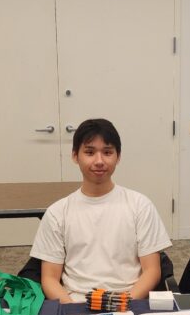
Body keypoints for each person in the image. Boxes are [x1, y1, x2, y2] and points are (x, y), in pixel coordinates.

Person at [30, 118, 171, 302]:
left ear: (118, 156)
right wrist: (71, 309)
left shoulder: (140, 205)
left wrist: (121, 304)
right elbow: (49, 279)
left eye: (107, 152)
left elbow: (152, 271)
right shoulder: (58, 212)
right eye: (89, 152)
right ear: (75, 156)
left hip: (129, 301)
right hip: (76, 304)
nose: (99, 161)